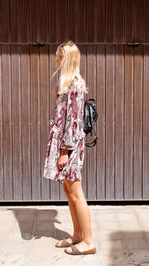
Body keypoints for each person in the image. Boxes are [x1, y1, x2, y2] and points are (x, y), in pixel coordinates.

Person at [43, 41, 96, 255]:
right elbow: (65, 116)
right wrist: (59, 98)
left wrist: (64, 152)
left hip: (70, 147)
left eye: (58, 56)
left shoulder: (74, 84)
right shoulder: (67, 85)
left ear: (67, 60)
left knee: (75, 192)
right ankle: (77, 235)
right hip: (66, 145)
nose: (55, 60)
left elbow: (74, 123)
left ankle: (89, 241)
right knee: (68, 190)